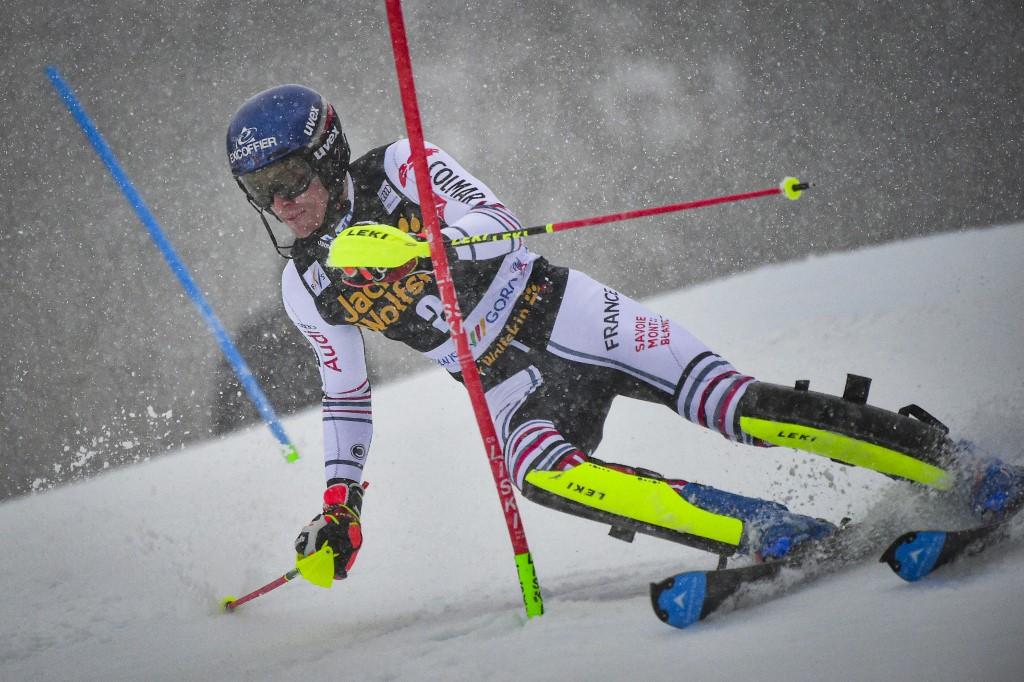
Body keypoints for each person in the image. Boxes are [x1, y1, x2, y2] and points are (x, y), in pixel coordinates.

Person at [226, 84, 1023, 580]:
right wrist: (341, 502)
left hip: (563, 313)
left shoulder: (400, 166)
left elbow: (500, 226)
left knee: (737, 408)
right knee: (542, 474)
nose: (283, 203)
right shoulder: (306, 286)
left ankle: (959, 466)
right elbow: (346, 399)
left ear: (326, 157)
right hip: (500, 381)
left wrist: (419, 243)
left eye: (290, 179)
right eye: (261, 192)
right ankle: (768, 530)